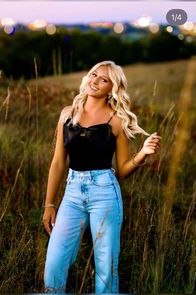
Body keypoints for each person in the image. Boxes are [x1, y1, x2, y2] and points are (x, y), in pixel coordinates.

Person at [42, 60, 161, 293]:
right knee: (54, 263)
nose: (94, 81)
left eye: (103, 79)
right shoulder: (68, 113)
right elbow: (57, 162)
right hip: (72, 193)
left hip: (105, 193)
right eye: (93, 75)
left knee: (106, 269)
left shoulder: (117, 119)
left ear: (112, 88)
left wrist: (142, 155)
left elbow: (124, 169)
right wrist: (49, 203)